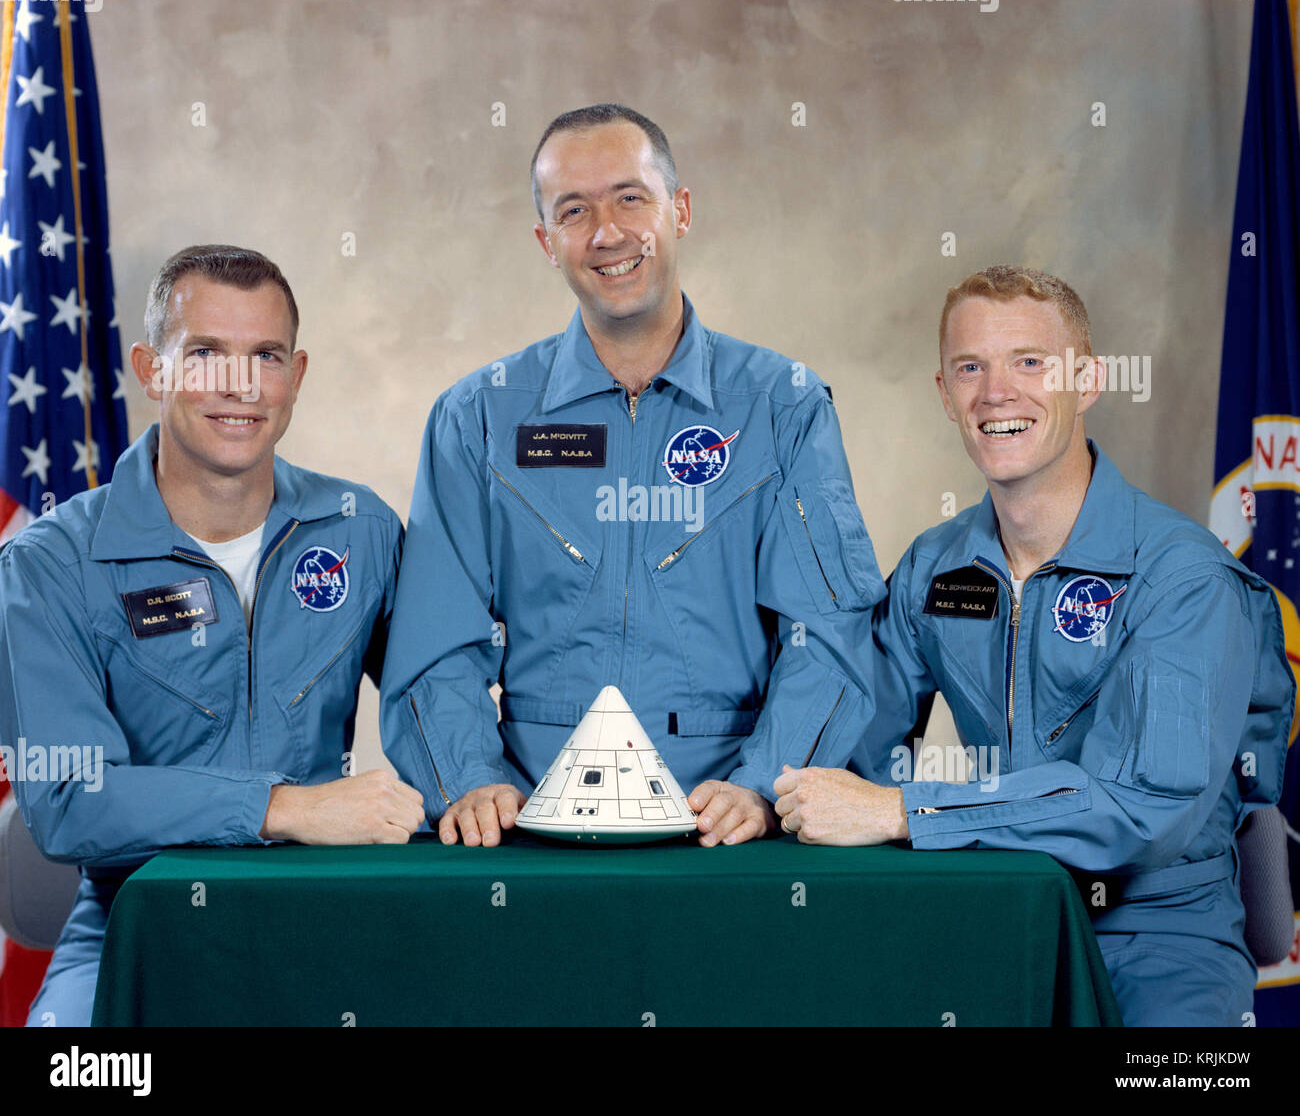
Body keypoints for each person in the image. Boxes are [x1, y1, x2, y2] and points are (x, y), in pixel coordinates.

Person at [774, 265, 1293, 1026]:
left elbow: (1139, 811)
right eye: (970, 367)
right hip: (1000, 914)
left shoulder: (1184, 580)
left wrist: (905, 811)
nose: (996, 393)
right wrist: (760, 787)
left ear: (1088, 380)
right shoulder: (935, 568)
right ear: (944, 393)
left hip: (1160, 938)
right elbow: (851, 744)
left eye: (1029, 362)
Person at [381, 104, 884, 848]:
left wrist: (765, 785)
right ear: (546, 241)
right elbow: (436, 638)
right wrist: (470, 780)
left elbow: (828, 633)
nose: (606, 233)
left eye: (629, 198)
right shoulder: (478, 416)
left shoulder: (784, 405)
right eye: (573, 210)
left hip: (730, 831)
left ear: (678, 211)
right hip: (532, 830)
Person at [0, 245, 422, 1026]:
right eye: (204, 355)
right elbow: (65, 798)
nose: (239, 385)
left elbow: (438, 700)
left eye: (264, 355)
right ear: (150, 369)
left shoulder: (360, 531)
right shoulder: (49, 564)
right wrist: (283, 808)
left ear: (295, 376)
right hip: (136, 915)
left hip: (320, 906)